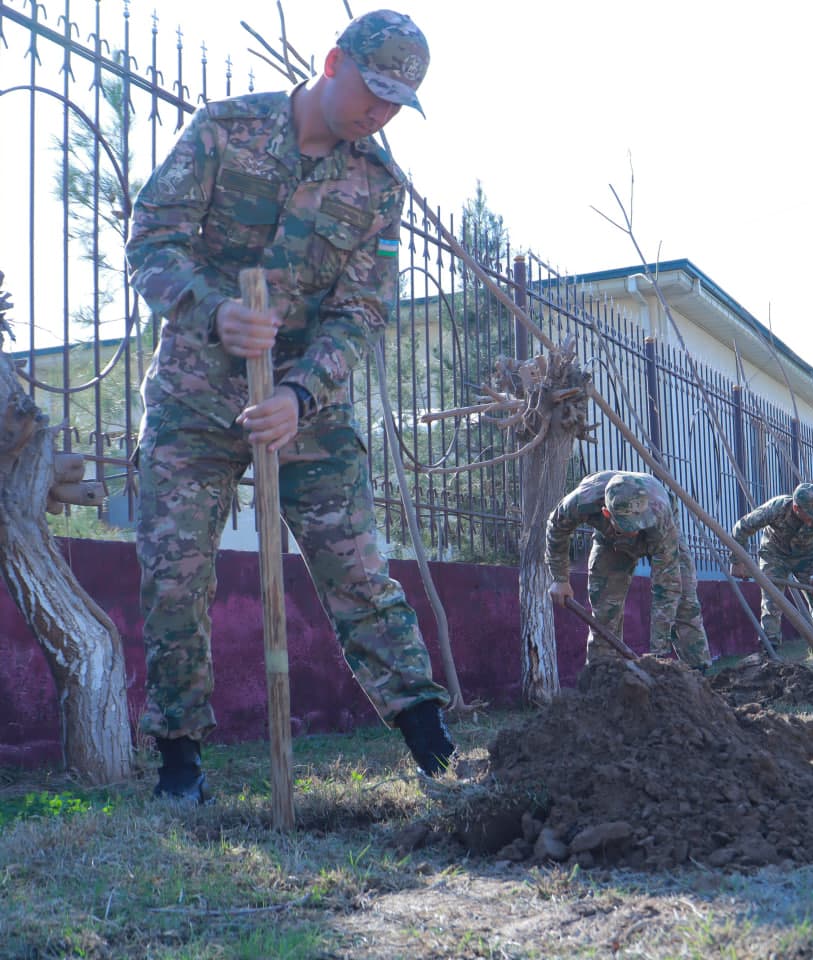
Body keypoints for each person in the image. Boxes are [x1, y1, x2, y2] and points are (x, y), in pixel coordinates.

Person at [126, 10, 453, 804]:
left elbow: (363, 312)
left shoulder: (377, 188)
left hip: (306, 405)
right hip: (195, 402)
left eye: (395, 103)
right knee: (175, 576)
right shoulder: (222, 132)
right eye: (371, 92)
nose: (377, 115)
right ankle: (179, 762)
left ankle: (432, 746)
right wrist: (212, 310)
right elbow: (150, 240)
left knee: (360, 570)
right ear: (333, 61)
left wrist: (299, 395)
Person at [545, 471, 712, 670]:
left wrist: (657, 656)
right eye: (629, 526)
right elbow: (556, 528)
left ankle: (698, 678)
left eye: (638, 524)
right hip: (610, 542)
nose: (635, 531)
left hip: (660, 535)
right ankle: (604, 678)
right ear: (606, 512)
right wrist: (560, 578)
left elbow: (667, 587)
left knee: (684, 602)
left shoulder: (659, 514)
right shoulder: (581, 501)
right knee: (605, 611)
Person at [730, 483, 813, 651]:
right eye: (808, 515)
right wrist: (737, 561)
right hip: (775, 555)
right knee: (772, 599)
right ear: (796, 507)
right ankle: (771, 647)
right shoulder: (776, 508)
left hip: (807, 557)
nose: (812, 519)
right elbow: (741, 528)